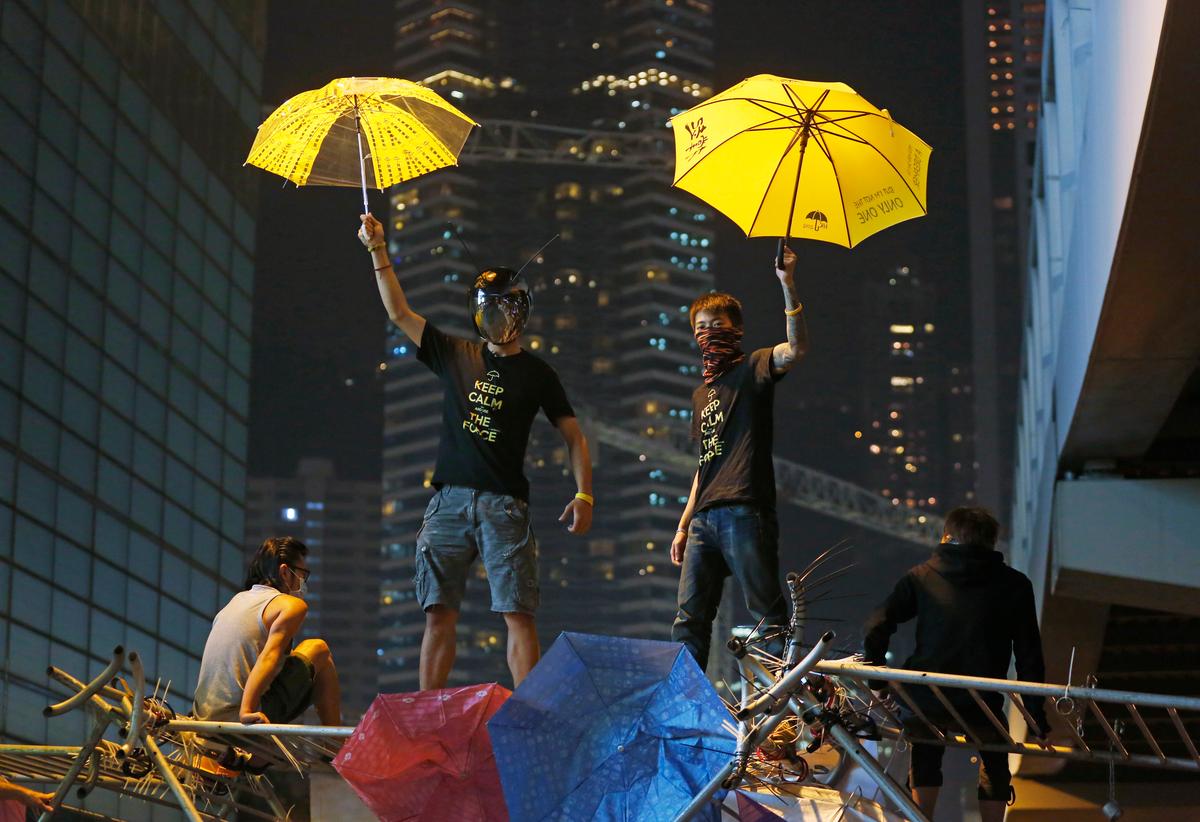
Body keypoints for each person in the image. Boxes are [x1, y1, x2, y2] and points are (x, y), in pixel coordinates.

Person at [358, 214, 593, 689]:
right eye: (489, 307)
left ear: (520, 312)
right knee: (438, 610)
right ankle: (428, 709)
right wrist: (378, 249)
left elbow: (573, 435)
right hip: (448, 501)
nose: (497, 317)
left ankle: (528, 711)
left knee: (517, 611)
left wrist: (584, 494)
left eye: (506, 308)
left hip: (504, 503)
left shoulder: (538, 374)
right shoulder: (455, 353)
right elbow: (400, 313)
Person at [861, 506, 1049, 822]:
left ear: (947, 537)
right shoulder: (1015, 585)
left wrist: (877, 681)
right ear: (991, 542)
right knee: (995, 759)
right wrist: (1036, 717)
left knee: (924, 752)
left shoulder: (922, 576)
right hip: (980, 700)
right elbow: (1029, 654)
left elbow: (875, 624)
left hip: (926, 696)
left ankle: (922, 818)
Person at [671, 244, 807, 669]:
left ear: (736, 329)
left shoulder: (753, 367)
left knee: (766, 613)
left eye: (717, 324)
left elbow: (795, 350)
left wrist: (787, 284)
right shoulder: (701, 394)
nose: (708, 333)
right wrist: (683, 524)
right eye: (701, 327)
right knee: (689, 619)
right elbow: (704, 465)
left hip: (745, 509)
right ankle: (686, 700)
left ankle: (782, 699)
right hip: (703, 519)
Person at [193, 537, 342, 727]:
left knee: (320, 663)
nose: (303, 582)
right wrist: (247, 711)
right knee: (318, 648)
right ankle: (338, 743)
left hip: (204, 717)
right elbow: (269, 656)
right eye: (302, 574)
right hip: (240, 716)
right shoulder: (291, 605)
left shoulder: (236, 602)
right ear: (285, 572)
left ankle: (337, 743)